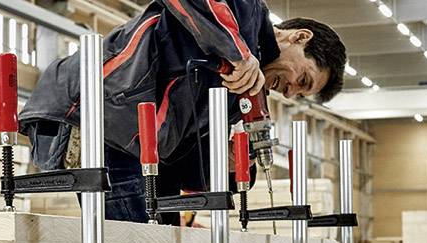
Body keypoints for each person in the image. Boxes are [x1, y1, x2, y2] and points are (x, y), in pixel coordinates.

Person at [19, 0, 346, 224]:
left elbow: (181, 157)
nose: (288, 92)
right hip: (94, 112)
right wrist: (237, 51)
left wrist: (229, 165)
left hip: (141, 147)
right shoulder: (246, 11)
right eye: (301, 79)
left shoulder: (237, 96)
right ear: (299, 37)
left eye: (298, 94)